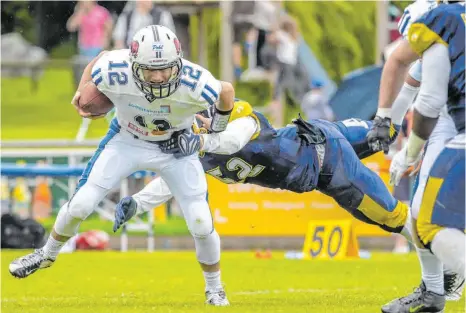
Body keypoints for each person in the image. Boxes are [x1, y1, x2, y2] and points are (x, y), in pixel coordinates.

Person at [9, 25, 234, 307]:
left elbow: (226, 91)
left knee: (201, 223)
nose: (158, 76)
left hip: (174, 149)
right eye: (150, 69)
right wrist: (82, 91)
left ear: (177, 62)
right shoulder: (115, 69)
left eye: (165, 68)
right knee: (81, 205)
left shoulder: (197, 82)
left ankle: (214, 288)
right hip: (127, 140)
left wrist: (214, 130)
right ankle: (46, 254)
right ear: (133, 63)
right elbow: (99, 58)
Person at [114, 98, 413, 252]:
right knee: (384, 134)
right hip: (318, 145)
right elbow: (170, 184)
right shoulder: (197, 153)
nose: (197, 124)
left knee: (392, 213)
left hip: (329, 160)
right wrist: (137, 204)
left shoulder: (239, 117)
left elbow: (234, 139)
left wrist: (202, 140)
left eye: (200, 118)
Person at [367, 2, 465, 312]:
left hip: (451, 126)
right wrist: (385, 124)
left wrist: (407, 153)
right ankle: (433, 292)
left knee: (428, 224)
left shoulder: (440, 24)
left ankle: (443, 283)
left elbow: (428, 103)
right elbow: (409, 90)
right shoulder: (452, 27)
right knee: (420, 213)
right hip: (447, 125)